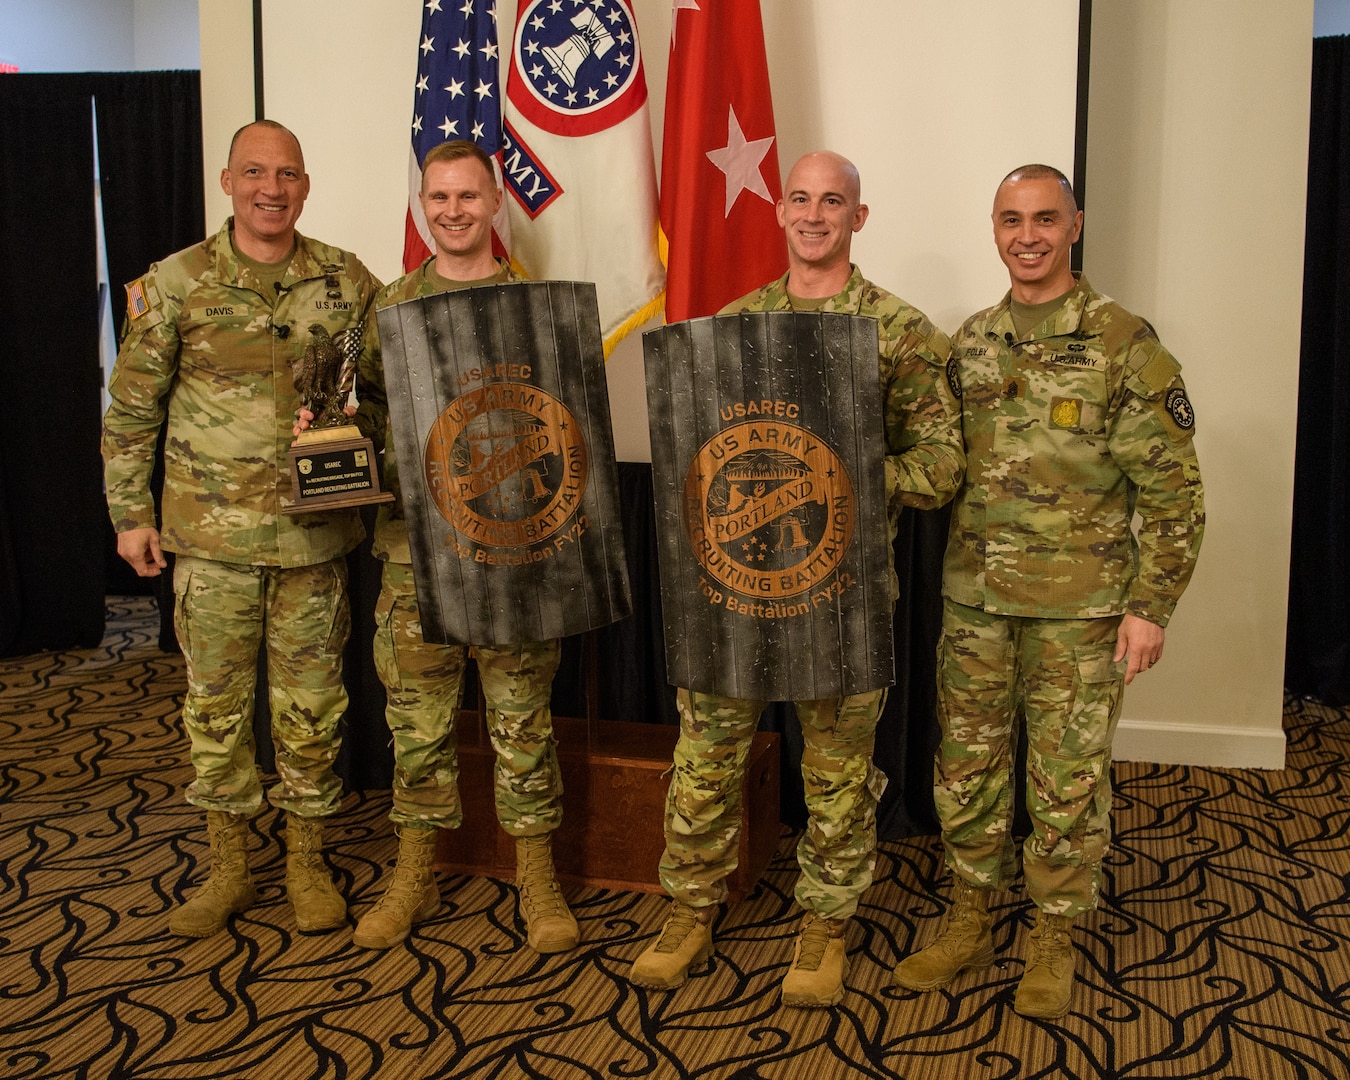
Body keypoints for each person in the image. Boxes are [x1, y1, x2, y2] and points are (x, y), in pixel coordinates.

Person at [629, 151, 965, 1007]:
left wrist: (858, 473)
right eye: (802, 199)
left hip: (843, 595)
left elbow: (942, 465)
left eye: (834, 201)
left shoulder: (901, 331)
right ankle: (690, 909)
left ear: (861, 216)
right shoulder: (732, 328)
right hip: (732, 590)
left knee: (838, 771)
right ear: (780, 211)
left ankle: (826, 922)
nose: (815, 214)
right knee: (705, 756)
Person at [892, 164, 1205, 1018]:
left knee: (1067, 781)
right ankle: (967, 917)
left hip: (1082, 609)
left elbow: (1175, 491)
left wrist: (1151, 607)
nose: (1025, 236)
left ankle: (1055, 934)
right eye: (1009, 220)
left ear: (1074, 225)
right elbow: (943, 460)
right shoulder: (973, 340)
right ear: (993, 230)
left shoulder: (1123, 343)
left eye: (1043, 219)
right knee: (967, 769)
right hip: (975, 604)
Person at [102, 120, 381, 937]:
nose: (272, 189)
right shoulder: (178, 282)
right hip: (211, 539)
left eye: (287, 174)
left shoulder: (345, 280)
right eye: (255, 173)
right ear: (227, 182)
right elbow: (131, 409)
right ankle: (229, 865)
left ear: (305, 183)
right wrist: (130, 515)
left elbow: (385, 387)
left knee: (312, 708)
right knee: (215, 709)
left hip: (311, 541)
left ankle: (305, 861)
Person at [347, 141, 575, 955]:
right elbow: (362, 419)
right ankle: (412, 869)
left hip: (513, 558)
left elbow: (565, 428)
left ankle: (537, 876)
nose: (452, 211)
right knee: (417, 724)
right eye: (438, 197)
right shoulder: (388, 310)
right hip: (415, 561)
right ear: (423, 205)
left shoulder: (537, 311)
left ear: (494, 205)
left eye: (468, 197)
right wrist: (328, 441)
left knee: (522, 723)